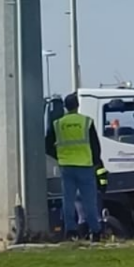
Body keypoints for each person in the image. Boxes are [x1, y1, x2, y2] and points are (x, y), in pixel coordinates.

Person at [45, 94, 105, 242]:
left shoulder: (58, 124)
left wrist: (59, 156)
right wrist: (96, 162)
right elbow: (95, 146)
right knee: (89, 201)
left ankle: (71, 231)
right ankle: (95, 231)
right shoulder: (86, 122)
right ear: (78, 105)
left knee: (68, 200)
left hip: (66, 166)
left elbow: (47, 145)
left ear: (66, 107)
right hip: (85, 165)